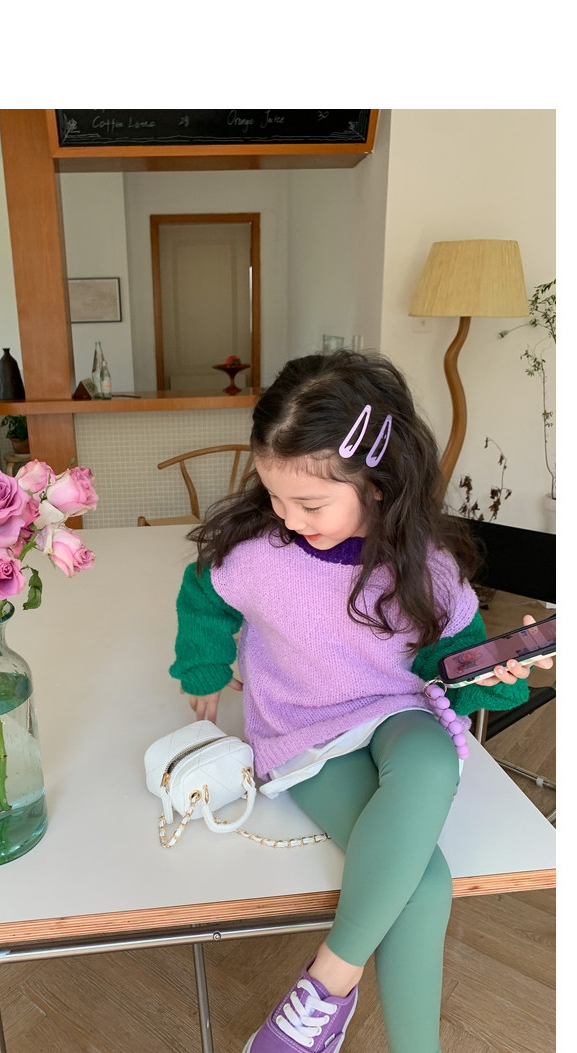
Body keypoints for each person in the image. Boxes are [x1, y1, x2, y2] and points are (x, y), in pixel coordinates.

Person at [169, 349, 553, 1053]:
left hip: (398, 712)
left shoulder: (429, 567)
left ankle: (325, 985)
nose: (288, 518)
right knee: (424, 883)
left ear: (377, 485)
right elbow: (204, 594)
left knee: (432, 757)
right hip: (304, 731)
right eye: (274, 496)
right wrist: (203, 667)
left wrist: (499, 672)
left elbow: (450, 670)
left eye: (310, 504)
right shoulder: (257, 555)